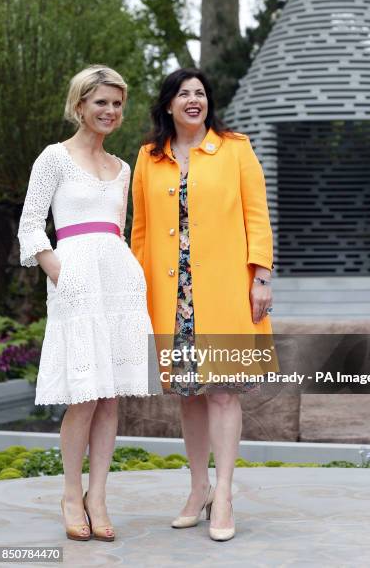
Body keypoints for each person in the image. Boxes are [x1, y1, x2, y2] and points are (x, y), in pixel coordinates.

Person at [131, 67, 276, 542]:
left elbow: (257, 215)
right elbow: (143, 232)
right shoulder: (149, 158)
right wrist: (136, 287)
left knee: (223, 391)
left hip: (226, 289)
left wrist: (261, 276)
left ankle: (226, 494)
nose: (194, 100)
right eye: (183, 93)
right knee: (188, 394)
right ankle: (198, 490)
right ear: (168, 104)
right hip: (171, 295)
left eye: (200, 93)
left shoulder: (236, 148)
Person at [18, 65, 161, 542]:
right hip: (75, 281)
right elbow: (31, 226)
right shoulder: (53, 159)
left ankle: (98, 496)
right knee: (84, 394)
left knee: (111, 393)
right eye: (101, 102)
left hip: (119, 283)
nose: (111, 111)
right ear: (80, 105)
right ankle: (70, 492)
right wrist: (59, 272)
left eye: (117, 104)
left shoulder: (123, 169)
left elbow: (120, 231)